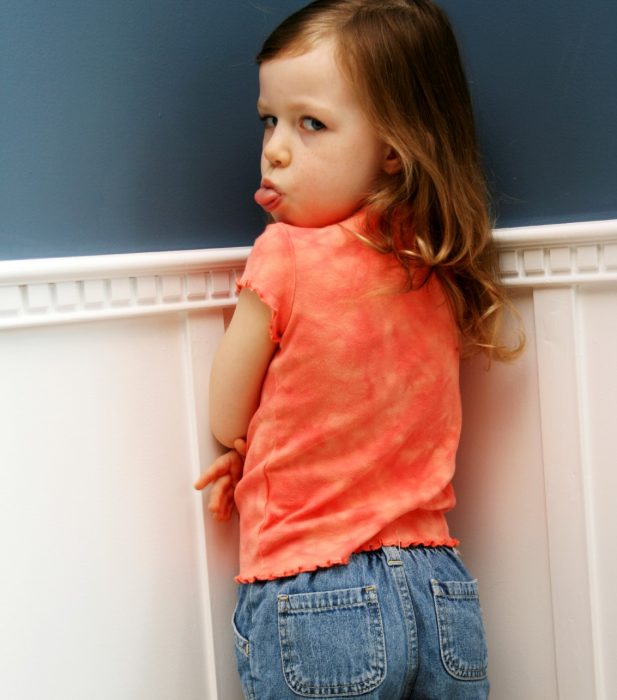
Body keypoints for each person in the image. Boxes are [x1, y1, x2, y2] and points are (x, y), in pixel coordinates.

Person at [194, 1, 523, 697]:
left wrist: (242, 447)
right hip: (439, 591)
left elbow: (227, 414)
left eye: (310, 124)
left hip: (316, 594)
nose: (276, 148)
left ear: (393, 150)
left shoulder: (283, 255)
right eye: (270, 120)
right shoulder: (434, 268)